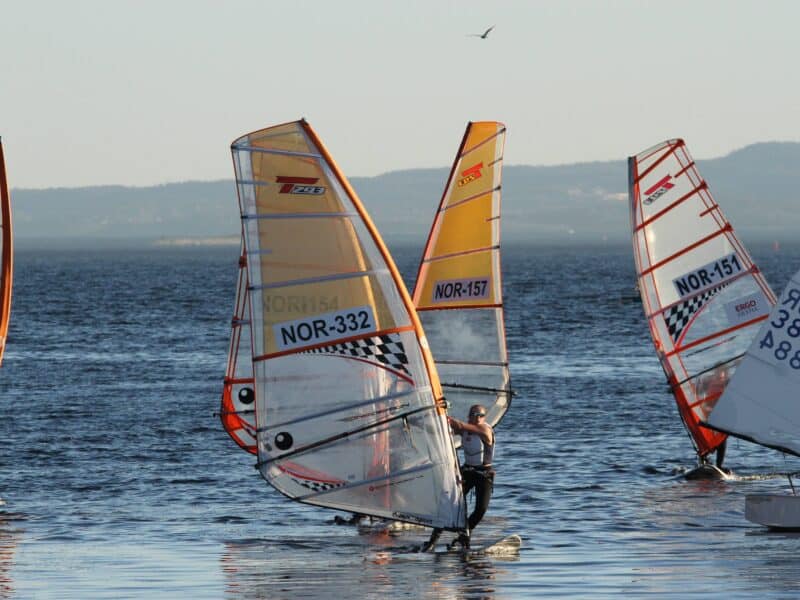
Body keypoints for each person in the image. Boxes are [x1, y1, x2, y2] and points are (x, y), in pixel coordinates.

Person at [419, 404, 496, 552]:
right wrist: (420, 424)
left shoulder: (485, 430)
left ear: (484, 417)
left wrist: (443, 415)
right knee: (449, 505)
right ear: (469, 416)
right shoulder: (464, 431)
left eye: (480, 415)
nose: (477, 418)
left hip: (484, 474)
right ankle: (432, 541)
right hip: (466, 472)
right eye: (474, 415)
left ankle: (463, 535)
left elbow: (459, 424)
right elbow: (439, 431)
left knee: (481, 510)